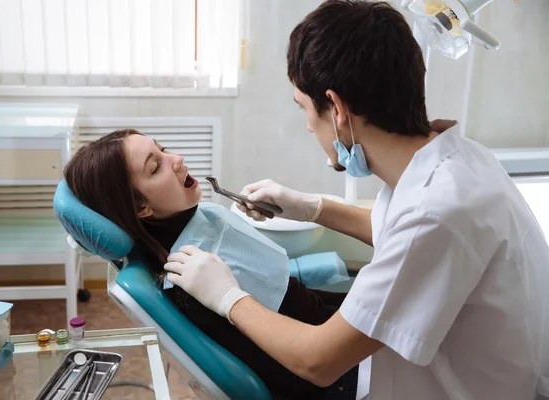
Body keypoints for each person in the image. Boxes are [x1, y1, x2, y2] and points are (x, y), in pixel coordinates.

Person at [163, 1, 549, 399]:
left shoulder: (436, 212)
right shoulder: (458, 159)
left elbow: (319, 361)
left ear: (338, 109)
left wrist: (229, 298)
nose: (308, 127)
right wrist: (311, 208)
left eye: (305, 109)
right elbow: (397, 231)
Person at [63, 128, 360, 399]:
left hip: (328, 330)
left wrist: (309, 209)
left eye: (164, 149)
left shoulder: (197, 224)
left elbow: (294, 301)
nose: (176, 159)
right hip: (334, 370)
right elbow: (295, 373)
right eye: (155, 167)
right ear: (141, 207)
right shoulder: (190, 280)